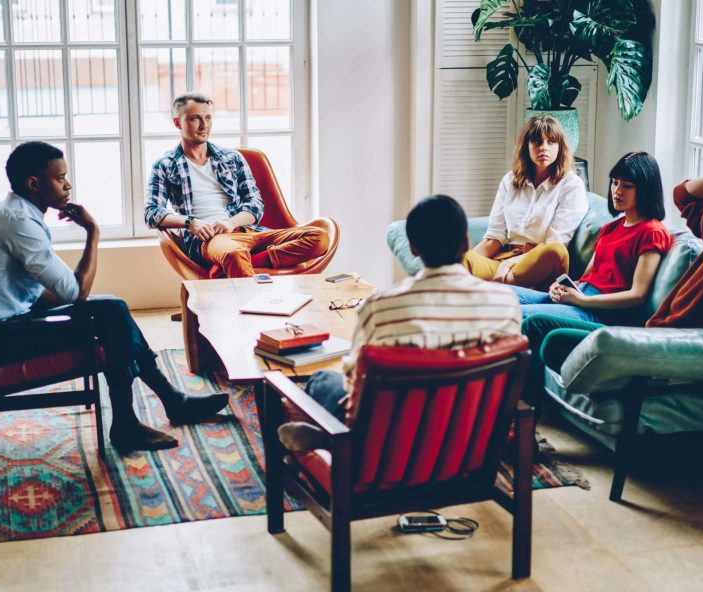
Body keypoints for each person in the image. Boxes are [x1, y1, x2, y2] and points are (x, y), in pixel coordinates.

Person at [0, 141, 227, 452]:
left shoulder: (9, 213)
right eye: (60, 178)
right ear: (33, 184)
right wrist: (93, 231)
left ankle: (168, 403)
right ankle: (136, 420)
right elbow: (76, 292)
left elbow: (40, 291)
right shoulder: (19, 224)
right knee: (112, 313)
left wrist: (88, 311)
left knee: (113, 313)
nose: (68, 185)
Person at [277, 195, 523, 452]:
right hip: (469, 443)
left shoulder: (379, 307)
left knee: (322, 380)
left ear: (413, 249)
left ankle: (329, 440)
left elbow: (354, 383)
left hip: (392, 447)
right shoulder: (506, 304)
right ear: (466, 243)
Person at [522, 154, 703, 394]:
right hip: (650, 334)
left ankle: (521, 409)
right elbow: (683, 194)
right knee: (510, 305)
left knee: (540, 329)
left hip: (667, 347)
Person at [145, 91, 329, 278]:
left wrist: (230, 223)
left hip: (248, 231)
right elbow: (151, 212)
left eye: (208, 118)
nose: (204, 125)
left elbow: (255, 205)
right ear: (178, 123)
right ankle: (255, 305)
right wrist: (191, 223)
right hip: (210, 240)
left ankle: (243, 262)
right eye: (195, 119)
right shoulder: (165, 165)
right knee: (234, 253)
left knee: (320, 238)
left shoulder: (231, 158)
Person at [513, 151, 672, 327]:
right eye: (614, 182)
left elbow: (637, 295)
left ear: (645, 190)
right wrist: (560, 288)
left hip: (599, 312)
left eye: (627, 186)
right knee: (498, 295)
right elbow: (586, 278)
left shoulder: (652, 232)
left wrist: (583, 301)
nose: (617, 191)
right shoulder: (611, 228)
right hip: (581, 297)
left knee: (517, 314)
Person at [463, 115, 588, 290]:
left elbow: (555, 242)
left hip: (538, 263)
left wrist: (508, 266)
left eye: (551, 142)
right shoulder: (510, 180)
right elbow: (494, 238)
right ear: (527, 146)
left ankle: (496, 289)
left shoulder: (571, 185)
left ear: (560, 147)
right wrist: (461, 264)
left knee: (555, 251)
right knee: (456, 260)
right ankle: (503, 288)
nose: (543, 148)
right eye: (537, 142)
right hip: (503, 259)